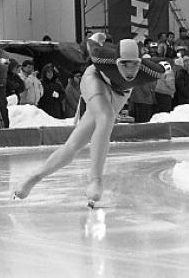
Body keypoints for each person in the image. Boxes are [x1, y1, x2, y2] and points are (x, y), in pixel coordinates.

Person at [14, 34, 165, 205]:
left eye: (134, 64)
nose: (130, 70)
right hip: (95, 79)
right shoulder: (101, 57)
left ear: (140, 62)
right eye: (124, 64)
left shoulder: (152, 71)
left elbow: (162, 65)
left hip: (119, 94)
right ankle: (96, 180)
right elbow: (91, 43)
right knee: (106, 117)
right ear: (116, 61)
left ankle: (34, 177)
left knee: (74, 145)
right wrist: (97, 39)